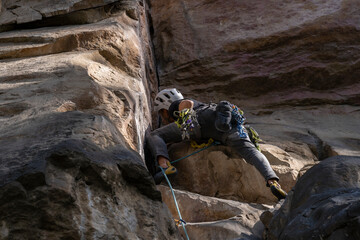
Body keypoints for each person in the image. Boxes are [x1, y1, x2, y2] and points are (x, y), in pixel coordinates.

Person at [145, 88, 287, 200]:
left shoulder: (178, 105)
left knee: (156, 134)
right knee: (253, 153)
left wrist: (186, 117)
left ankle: (164, 166)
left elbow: (186, 103)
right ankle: (272, 181)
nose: (163, 119)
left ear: (165, 106)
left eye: (162, 114)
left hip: (201, 121)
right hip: (231, 128)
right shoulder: (212, 108)